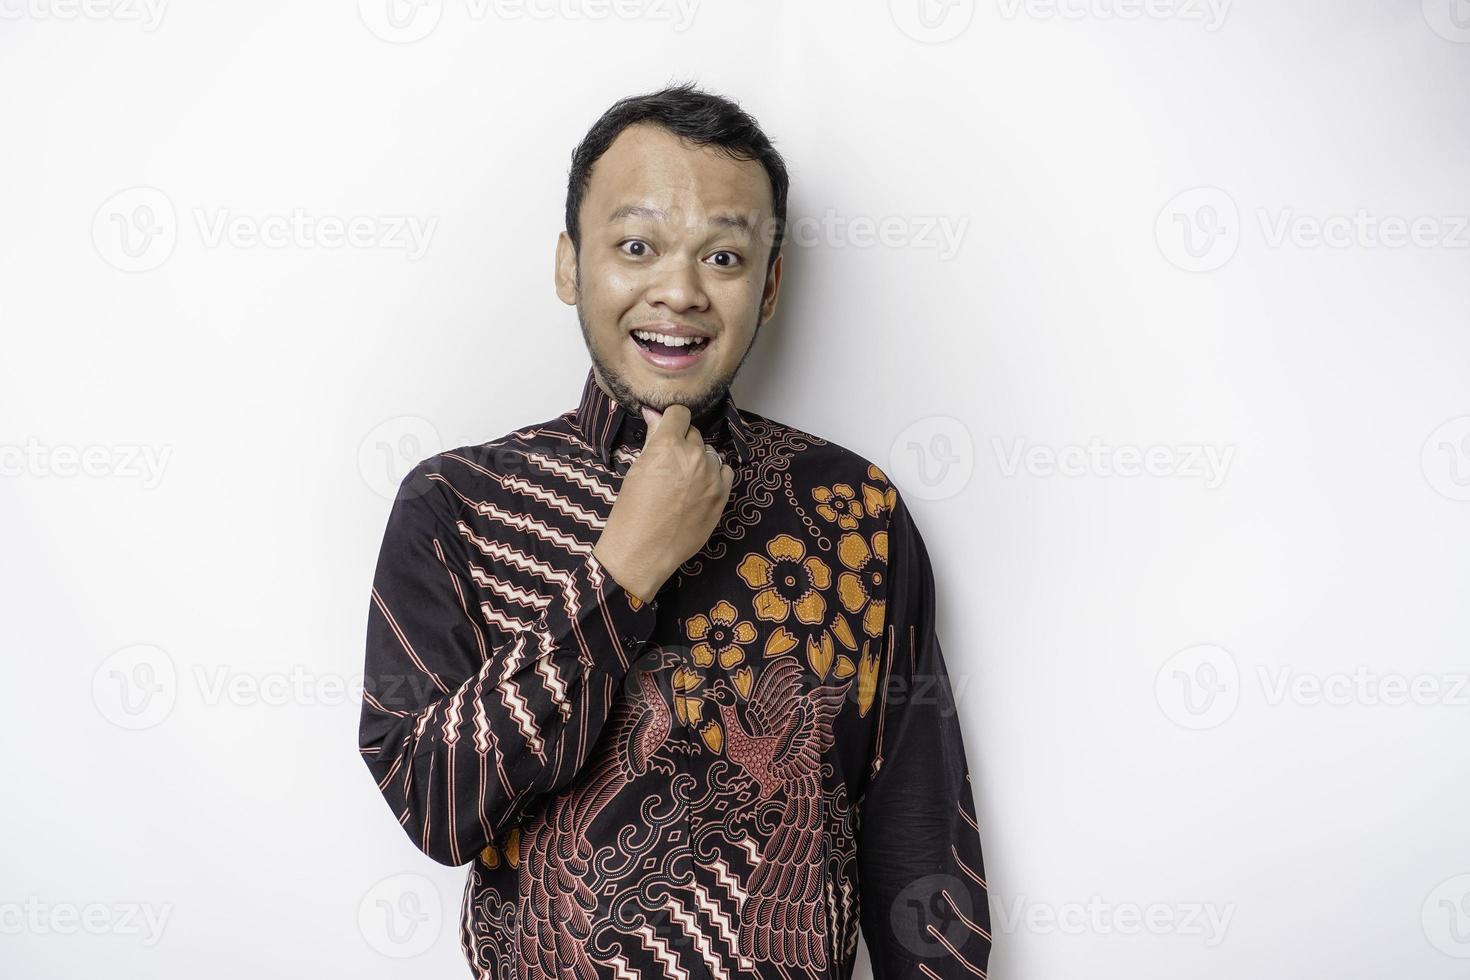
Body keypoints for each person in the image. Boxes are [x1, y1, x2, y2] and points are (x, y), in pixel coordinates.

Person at [358, 81, 992, 979]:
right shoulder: (457, 506)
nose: (679, 291)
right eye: (637, 245)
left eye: (723, 259)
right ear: (571, 264)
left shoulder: (856, 513)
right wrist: (620, 574)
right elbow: (435, 801)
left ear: (768, 287)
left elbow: (919, 837)